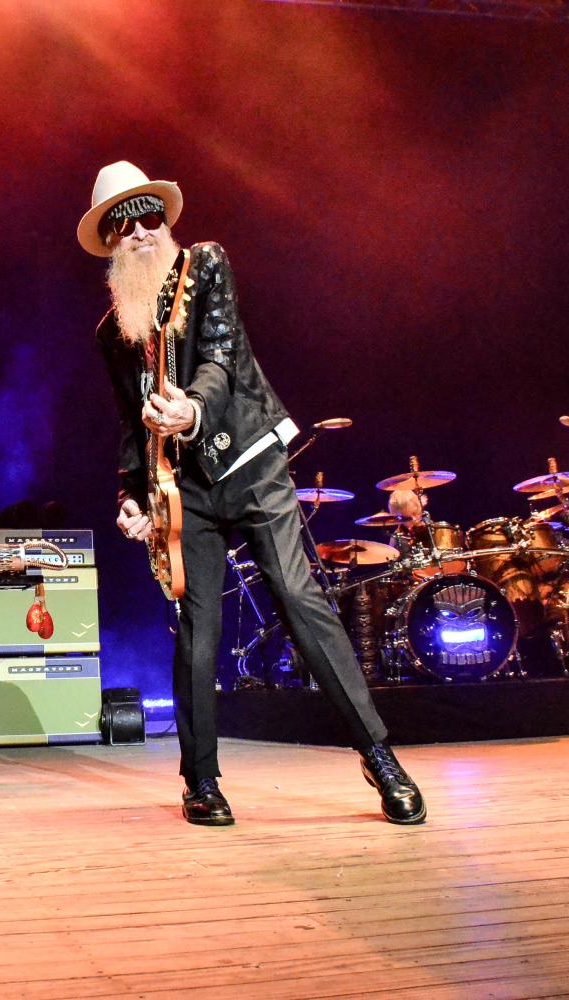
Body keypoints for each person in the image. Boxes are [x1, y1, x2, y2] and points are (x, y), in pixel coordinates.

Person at [79, 161, 425, 826]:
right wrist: (131, 497)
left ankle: (379, 757)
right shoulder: (110, 334)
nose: (143, 230)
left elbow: (220, 357)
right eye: (126, 221)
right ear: (110, 240)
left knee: (297, 596)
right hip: (187, 488)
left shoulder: (204, 265)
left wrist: (192, 410)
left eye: (153, 215)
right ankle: (200, 781)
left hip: (249, 457)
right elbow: (129, 424)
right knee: (195, 628)